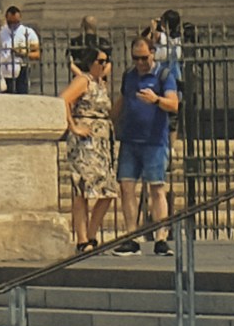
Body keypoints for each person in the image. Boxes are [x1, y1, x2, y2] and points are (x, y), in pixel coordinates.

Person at [118, 21, 184, 252]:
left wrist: (156, 100)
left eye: (144, 58)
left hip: (154, 140)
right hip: (130, 139)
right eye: (136, 58)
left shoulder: (164, 75)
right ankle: (131, 235)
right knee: (126, 188)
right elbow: (123, 101)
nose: (140, 63)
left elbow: (174, 104)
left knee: (157, 188)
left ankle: (160, 237)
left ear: (153, 54)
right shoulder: (129, 75)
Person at [61, 37, 116, 253]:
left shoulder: (101, 84)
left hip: (101, 142)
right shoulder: (83, 81)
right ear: (91, 62)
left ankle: (92, 234)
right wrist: (74, 127)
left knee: (108, 191)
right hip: (85, 142)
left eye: (106, 61)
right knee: (82, 190)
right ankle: (83, 239)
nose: (104, 65)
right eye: (100, 61)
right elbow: (64, 99)